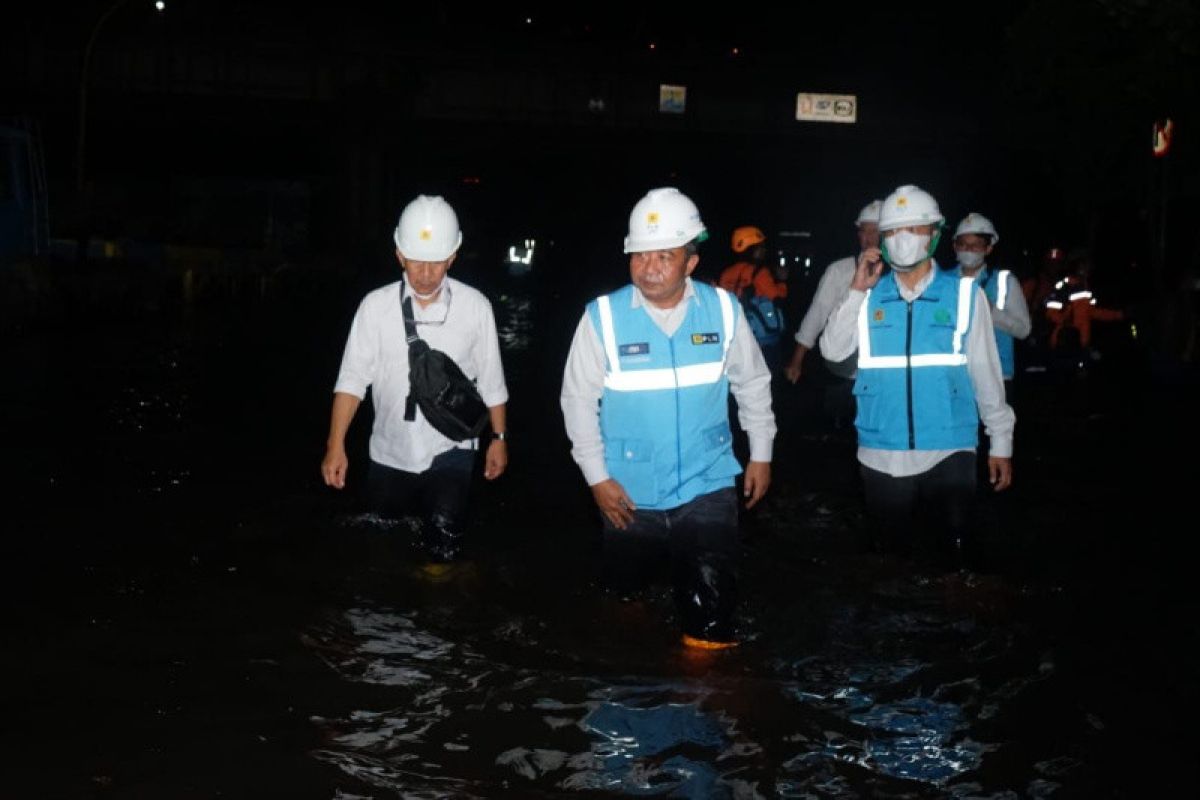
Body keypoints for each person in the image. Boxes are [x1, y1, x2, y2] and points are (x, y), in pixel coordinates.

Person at [560, 187, 777, 649]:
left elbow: (753, 384)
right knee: (625, 602)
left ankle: (704, 698)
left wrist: (761, 454)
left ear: (690, 263)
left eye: (665, 255)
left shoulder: (723, 309)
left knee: (712, 614)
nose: (650, 266)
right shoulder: (602, 317)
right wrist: (597, 479)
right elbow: (577, 401)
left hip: (708, 481)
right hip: (628, 492)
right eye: (640, 255)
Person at [819, 185, 1015, 569]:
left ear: (935, 234)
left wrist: (1001, 441)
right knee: (891, 560)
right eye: (892, 232)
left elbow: (985, 372)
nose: (902, 239)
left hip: (950, 446)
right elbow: (832, 352)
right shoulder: (866, 296)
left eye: (914, 229)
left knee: (956, 556)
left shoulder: (964, 295)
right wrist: (857, 290)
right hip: (882, 450)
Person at [321, 194, 509, 563]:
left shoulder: (476, 307)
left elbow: (492, 380)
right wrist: (335, 444)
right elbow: (352, 379)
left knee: (443, 545)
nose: (425, 274)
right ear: (399, 255)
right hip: (389, 451)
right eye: (416, 262)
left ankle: (439, 606)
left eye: (437, 262)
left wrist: (499, 439)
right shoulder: (375, 307)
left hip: (452, 449)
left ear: (453, 258)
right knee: (385, 549)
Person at [784, 199, 881, 427]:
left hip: (883, 378)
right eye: (863, 231)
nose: (868, 238)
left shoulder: (899, 276)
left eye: (875, 231)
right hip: (843, 373)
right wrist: (797, 360)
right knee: (838, 432)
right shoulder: (840, 270)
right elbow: (817, 313)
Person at [951, 213, 1032, 395]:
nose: (968, 250)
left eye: (976, 245)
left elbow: (1023, 330)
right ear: (954, 246)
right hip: (955, 379)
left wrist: (991, 311)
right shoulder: (943, 282)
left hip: (997, 378)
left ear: (988, 248)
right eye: (963, 244)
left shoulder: (1004, 281)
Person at [718, 225, 789, 372]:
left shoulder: (726, 274)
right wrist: (782, 282)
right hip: (762, 341)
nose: (763, 251)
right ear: (752, 250)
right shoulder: (760, 273)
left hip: (734, 337)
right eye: (760, 247)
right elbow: (778, 299)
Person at [1044, 247, 1125, 360]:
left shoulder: (1084, 288)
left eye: (1088, 265)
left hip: (1080, 345)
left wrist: (1118, 315)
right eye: (1084, 265)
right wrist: (1067, 323)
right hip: (1064, 344)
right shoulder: (1065, 286)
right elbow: (1051, 312)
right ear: (1076, 266)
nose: (1088, 268)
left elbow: (1092, 312)